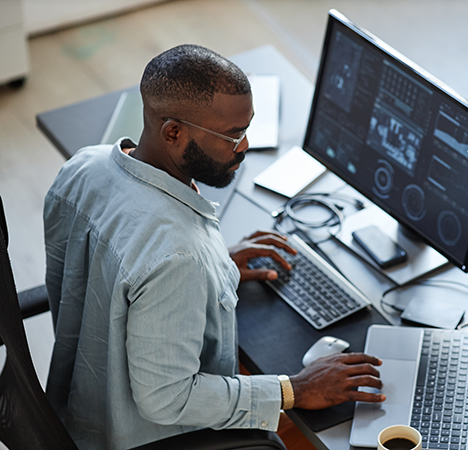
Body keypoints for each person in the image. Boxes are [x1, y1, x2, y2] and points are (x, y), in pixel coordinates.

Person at [43, 44, 385, 450]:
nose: (244, 147)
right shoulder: (178, 256)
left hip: (77, 405)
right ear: (173, 132)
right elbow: (167, 399)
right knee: (336, 435)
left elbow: (119, 271)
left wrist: (216, 270)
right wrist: (293, 389)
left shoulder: (84, 166)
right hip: (140, 436)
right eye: (232, 135)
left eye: (247, 128)